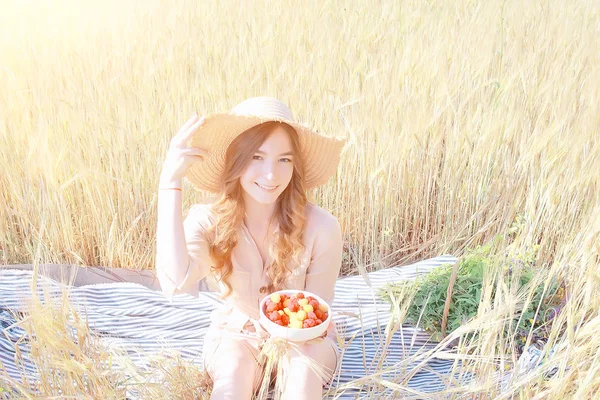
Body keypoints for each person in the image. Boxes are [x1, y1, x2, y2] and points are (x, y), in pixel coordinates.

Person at [155, 97, 347, 399]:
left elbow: (316, 316)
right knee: (234, 370)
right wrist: (170, 183)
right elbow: (175, 282)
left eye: (284, 159)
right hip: (238, 334)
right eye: (257, 157)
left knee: (301, 369)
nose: (271, 175)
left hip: (305, 341)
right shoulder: (208, 221)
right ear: (236, 159)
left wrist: (293, 339)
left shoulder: (322, 227)